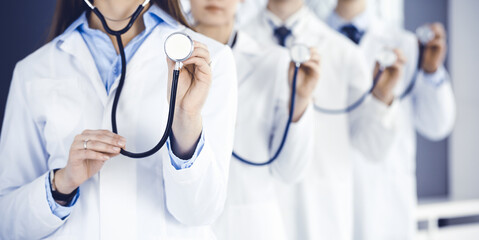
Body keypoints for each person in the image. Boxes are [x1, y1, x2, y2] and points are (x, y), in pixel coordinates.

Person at [0, 0, 237, 239]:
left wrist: (186, 119)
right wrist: (61, 184)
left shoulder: (207, 60)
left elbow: (199, 212)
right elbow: (7, 222)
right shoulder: (33, 71)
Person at [242, 0, 403, 239]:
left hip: (321, 214)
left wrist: (381, 98)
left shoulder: (343, 52)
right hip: (254, 212)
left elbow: (373, 148)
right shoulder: (237, 45)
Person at [189, 0, 318, 239]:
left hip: (251, 224)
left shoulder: (275, 61)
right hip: (183, 221)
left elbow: (290, 171)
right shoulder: (166, 59)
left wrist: (300, 100)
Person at [328, 0, 456, 239]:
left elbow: (438, 125)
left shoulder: (404, 44)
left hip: (385, 203)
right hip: (328, 195)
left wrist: (431, 71)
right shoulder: (313, 43)